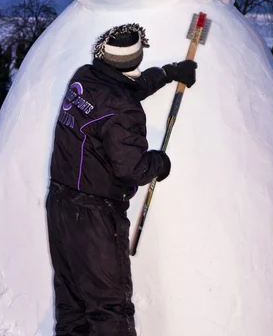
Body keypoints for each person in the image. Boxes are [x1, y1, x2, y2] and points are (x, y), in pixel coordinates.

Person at [46, 23, 197, 336]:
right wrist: (160, 162)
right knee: (110, 308)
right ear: (134, 60)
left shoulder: (85, 78)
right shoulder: (123, 109)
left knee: (72, 303)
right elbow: (133, 169)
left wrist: (169, 72)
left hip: (60, 206)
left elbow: (125, 89)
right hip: (95, 218)